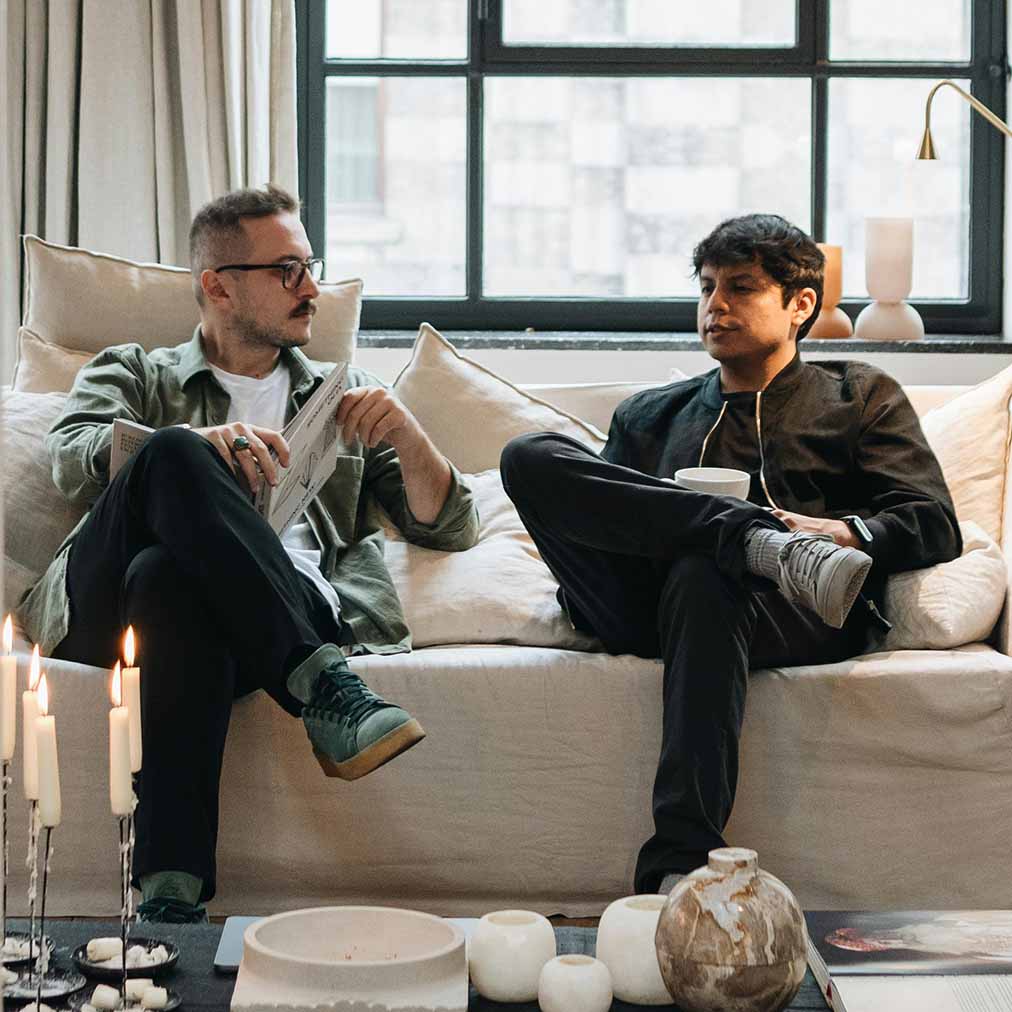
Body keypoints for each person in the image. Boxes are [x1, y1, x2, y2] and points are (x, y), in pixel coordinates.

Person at [18, 184, 478, 921]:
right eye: (287, 270)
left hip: (243, 611)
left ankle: (171, 892)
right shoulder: (135, 371)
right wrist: (195, 450)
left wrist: (407, 433)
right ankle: (324, 691)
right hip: (101, 611)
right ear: (219, 287)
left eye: (310, 266)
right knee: (169, 453)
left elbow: (449, 525)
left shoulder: (342, 393)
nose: (311, 289)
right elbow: (71, 458)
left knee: (166, 576)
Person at [500, 213, 961, 896]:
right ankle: (747, 537)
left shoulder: (857, 395)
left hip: (797, 607)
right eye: (708, 287)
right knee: (528, 454)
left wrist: (840, 533)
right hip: (641, 606)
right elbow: (599, 521)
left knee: (706, 571)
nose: (716, 306)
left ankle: (679, 868)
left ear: (801, 303)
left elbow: (933, 522)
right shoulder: (650, 415)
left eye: (740, 288)